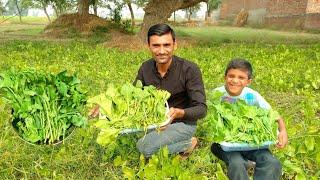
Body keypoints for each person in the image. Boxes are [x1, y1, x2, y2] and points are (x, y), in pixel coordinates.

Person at [134, 23, 207, 159]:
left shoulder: (189, 69)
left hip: (183, 123)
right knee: (138, 140)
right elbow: (134, 95)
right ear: (148, 46)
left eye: (166, 45)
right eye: (156, 45)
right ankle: (162, 141)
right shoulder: (145, 68)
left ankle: (188, 143)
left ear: (175, 45)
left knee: (143, 147)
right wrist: (109, 104)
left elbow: (201, 109)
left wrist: (179, 113)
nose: (161, 51)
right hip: (156, 121)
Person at [210, 59, 288, 180]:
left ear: (248, 81)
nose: (235, 80)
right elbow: (209, 117)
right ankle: (244, 162)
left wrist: (282, 131)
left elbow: (274, 114)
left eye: (241, 77)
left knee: (272, 163)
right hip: (225, 144)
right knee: (237, 164)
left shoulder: (252, 96)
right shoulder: (217, 94)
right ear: (225, 77)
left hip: (253, 143)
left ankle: (249, 162)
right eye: (231, 76)